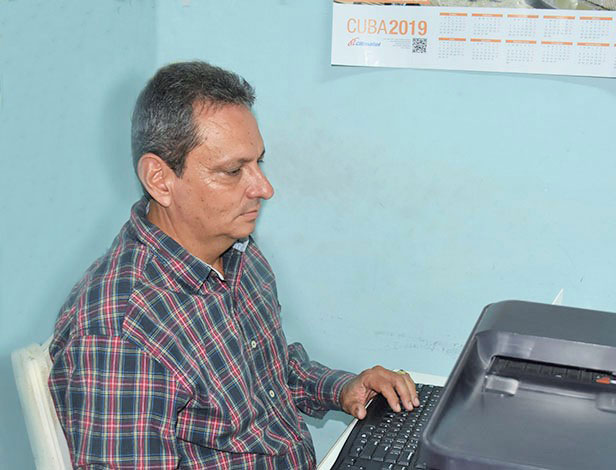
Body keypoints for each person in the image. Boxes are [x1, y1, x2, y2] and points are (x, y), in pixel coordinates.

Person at [48, 61, 418, 469]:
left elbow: (269, 376)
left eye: (259, 162)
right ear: (159, 178)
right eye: (232, 170)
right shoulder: (120, 332)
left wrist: (343, 387)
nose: (264, 188)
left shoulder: (237, 251)